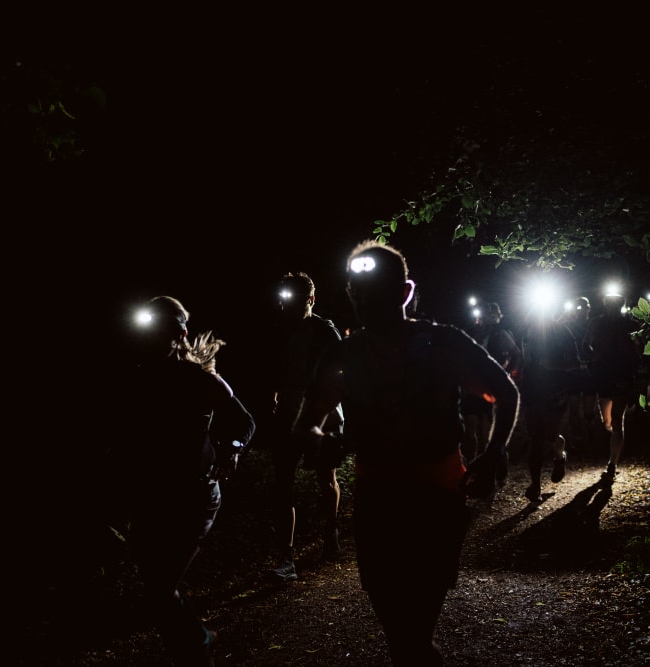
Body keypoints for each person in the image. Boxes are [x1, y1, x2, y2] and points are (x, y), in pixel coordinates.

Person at [291, 239, 520, 666]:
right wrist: (322, 443)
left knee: (412, 633)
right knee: (404, 636)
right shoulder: (344, 354)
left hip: (436, 500)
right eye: (357, 293)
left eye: (374, 293)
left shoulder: (441, 343)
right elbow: (305, 424)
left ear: (404, 293)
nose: (364, 302)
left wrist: (493, 454)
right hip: (378, 504)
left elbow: (504, 391)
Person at [105, 295, 255, 667]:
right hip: (152, 495)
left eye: (161, 330)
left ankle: (196, 646)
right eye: (148, 330)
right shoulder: (134, 380)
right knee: (156, 588)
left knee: (159, 588)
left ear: (179, 335)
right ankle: (194, 643)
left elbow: (245, 423)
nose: (152, 338)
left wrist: (233, 448)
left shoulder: (202, 381)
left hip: (195, 497)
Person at [264, 272, 345, 580]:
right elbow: (276, 370)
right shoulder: (279, 332)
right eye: (285, 299)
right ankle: (286, 558)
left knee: (326, 479)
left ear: (310, 300)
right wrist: (274, 397)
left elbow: (342, 369)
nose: (288, 306)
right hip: (287, 416)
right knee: (283, 484)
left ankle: (331, 531)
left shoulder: (325, 331)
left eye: (295, 300)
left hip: (320, 417)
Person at [516, 300, 582, 503]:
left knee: (550, 437)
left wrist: (553, 366)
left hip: (555, 390)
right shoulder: (527, 331)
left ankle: (560, 456)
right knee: (535, 437)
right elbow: (522, 358)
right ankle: (535, 486)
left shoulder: (563, 331)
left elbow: (575, 362)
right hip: (532, 389)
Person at [584, 291, 642, 482]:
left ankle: (612, 463)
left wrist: (635, 371)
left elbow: (639, 349)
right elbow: (585, 344)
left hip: (622, 375)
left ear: (621, 305)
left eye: (615, 304)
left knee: (617, 418)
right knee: (607, 422)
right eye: (609, 304)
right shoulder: (596, 323)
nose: (612, 307)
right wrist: (594, 357)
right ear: (605, 305)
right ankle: (617, 445)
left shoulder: (630, 325)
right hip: (604, 375)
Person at [462, 302, 522, 463]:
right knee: (470, 426)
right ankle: (471, 464)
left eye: (491, 316)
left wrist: (506, 375)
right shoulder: (471, 333)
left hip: (490, 386)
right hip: (473, 386)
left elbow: (516, 354)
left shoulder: (500, 334)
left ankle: (488, 463)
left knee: (485, 429)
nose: (485, 319)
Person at [560, 296, 597, 451]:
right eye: (577, 308)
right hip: (573, 373)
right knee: (573, 408)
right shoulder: (567, 325)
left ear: (588, 309)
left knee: (589, 410)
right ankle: (577, 438)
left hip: (589, 371)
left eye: (583, 308)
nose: (580, 311)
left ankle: (589, 437)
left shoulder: (593, 325)